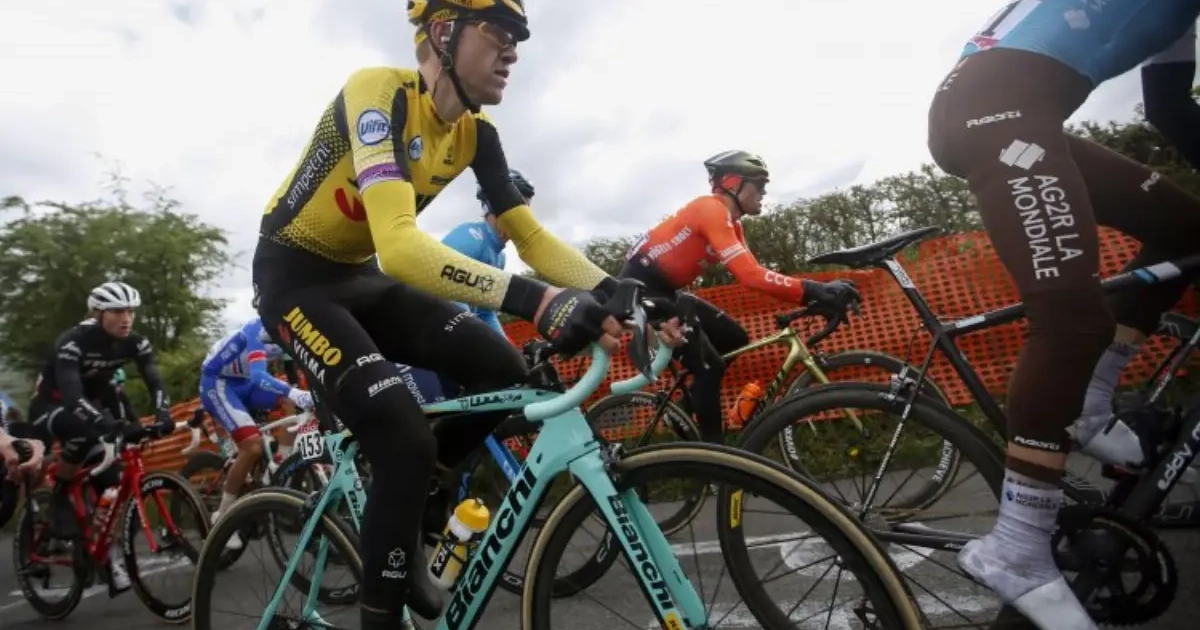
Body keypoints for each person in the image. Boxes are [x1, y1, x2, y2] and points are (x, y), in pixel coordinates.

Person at [250, 1, 682, 627]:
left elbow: (532, 240)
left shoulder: (477, 134)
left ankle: (420, 507)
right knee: (401, 431)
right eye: (498, 32)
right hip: (293, 281)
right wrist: (538, 300)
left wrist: (621, 291)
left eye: (518, 38)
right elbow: (400, 247)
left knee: (503, 369)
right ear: (443, 30)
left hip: (358, 278)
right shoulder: (378, 93)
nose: (513, 50)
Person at [927, 4, 1200, 628]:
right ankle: (1016, 548)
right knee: (1072, 321)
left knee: (1186, 230)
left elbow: (1168, 107)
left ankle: (1092, 404)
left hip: (1011, 106)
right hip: (994, 108)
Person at [620, 150, 862, 444]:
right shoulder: (709, 210)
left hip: (667, 293)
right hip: (641, 295)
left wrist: (811, 297)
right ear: (733, 183)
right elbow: (751, 276)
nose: (763, 192)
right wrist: (814, 290)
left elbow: (756, 275)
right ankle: (715, 454)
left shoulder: (733, 224)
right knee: (710, 367)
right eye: (759, 184)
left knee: (734, 338)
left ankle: (686, 406)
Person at [17, 281, 175, 595]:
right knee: (83, 431)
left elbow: (155, 381)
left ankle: (107, 553)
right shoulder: (73, 341)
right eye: (117, 312)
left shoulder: (135, 342)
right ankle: (59, 498)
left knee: (112, 480)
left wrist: (162, 414)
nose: (126, 318)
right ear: (98, 314)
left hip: (90, 406)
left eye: (130, 311)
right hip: (52, 406)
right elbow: (72, 395)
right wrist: (107, 424)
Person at [199, 316, 315, 550]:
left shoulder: (296, 329)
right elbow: (259, 376)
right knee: (252, 446)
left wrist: (306, 395)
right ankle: (222, 515)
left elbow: (293, 373)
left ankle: (278, 464)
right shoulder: (258, 329)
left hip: (245, 382)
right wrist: (297, 394)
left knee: (291, 403)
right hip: (218, 383)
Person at [438, 167, 535, 334]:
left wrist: (505, 348)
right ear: (496, 205)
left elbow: (485, 313)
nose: (525, 217)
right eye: (520, 208)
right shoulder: (470, 237)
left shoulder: (499, 258)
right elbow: (444, 293)